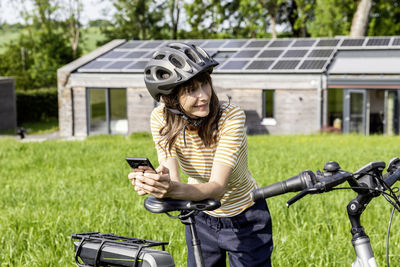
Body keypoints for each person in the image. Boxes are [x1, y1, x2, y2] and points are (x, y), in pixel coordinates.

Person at [128, 42, 273, 267]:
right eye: (190, 90)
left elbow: (217, 187)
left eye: (205, 84)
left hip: (245, 217)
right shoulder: (160, 119)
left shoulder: (230, 117)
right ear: (170, 98)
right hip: (200, 217)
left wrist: (172, 189)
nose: (204, 95)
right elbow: (173, 180)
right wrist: (157, 184)